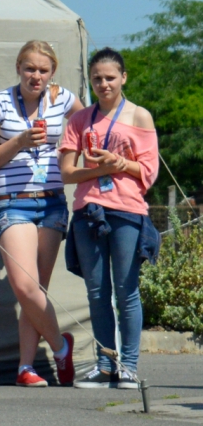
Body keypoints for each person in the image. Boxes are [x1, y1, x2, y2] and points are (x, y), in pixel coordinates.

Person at [0, 40, 81, 387]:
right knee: (24, 285)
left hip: (51, 199)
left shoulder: (63, 99)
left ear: (52, 73)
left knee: (37, 290)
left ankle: (25, 367)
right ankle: (60, 346)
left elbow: (89, 128)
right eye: (29, 68)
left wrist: (75, 159)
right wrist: (19, 142)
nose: (36, 76)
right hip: (13, 199)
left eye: (43, 70)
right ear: (18, 68)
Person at [60, 48, 159, 389]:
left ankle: (128, 366)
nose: (104, 84)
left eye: (110, 78)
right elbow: (67, 173)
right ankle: (105, 365)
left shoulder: (139, 116)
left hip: (127, 210)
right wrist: (100, 169)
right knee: (97, 292)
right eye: (97, 78)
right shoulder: (79, 120)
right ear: (90, 80)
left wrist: (120, 165)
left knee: (126, 290)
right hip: (88, 209)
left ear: (123, 78)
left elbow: (148, 171)